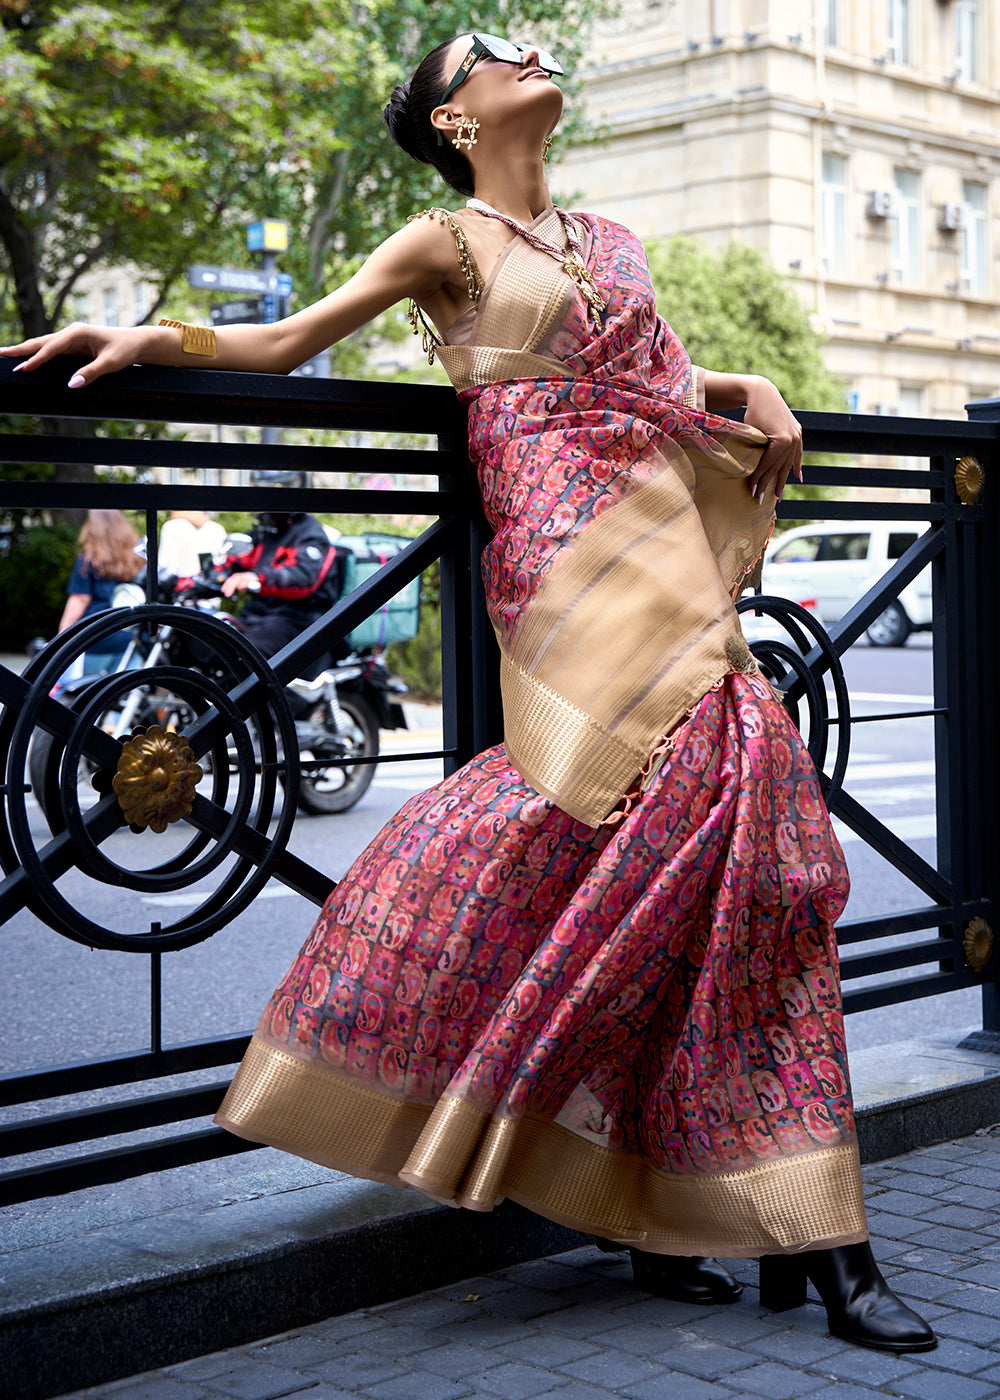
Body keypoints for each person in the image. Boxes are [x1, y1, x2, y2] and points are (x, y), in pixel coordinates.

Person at [0, 33, 935, 1354]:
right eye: (495, 51)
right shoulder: (444, 243)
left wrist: (754, 381)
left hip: (664, 530)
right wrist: (147, 333)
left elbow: (659, 382)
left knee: (747, 860)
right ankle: (745, 1221)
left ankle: (771, 1223)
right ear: (454, 115)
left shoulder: (613, 237)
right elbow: (286, 340)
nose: (530, 48)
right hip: (564, 568)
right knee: (615, 831)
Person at [217, 509, 342, 660]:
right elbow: (234, 561)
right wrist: (209, 577)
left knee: (245, 653)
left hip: (297, 619)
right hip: (257, 614)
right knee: (212, 641)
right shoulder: (265, 533)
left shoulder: (310, 535)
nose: (258, 512)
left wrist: (257, 578)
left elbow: (303, 577)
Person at [57, 509, 143, 673]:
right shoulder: (136, 558)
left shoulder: (89, 558)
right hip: (130, 635)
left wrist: (62, 636)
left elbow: (80, 599)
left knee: (88, 691)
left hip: (97, 635)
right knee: (120, 690)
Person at [157, 509, 227, 580]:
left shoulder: (171, 527)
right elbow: (222, 564)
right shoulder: (217, 528)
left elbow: (166, 566)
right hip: (212, 585)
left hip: (183, 587)